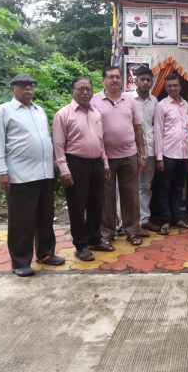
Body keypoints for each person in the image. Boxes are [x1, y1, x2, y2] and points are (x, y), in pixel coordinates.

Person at [0, 74, 65, 276]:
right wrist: (1, 171)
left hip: (44, 172)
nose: (28, 89)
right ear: (12, 88)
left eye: (31, 85)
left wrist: (53, 162)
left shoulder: (39, 110)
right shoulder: (4, 110)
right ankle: (20, 261)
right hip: (20, 174)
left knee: (45, 217)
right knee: (22, 221)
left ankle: (46, 253)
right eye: (23, 85)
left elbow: (44, 138)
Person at [52, 77, 114, 261]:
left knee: (96, 204)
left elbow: (101, 141)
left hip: (96, 163)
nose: (85, 92)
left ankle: (95, 239)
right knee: (77, 207)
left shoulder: (97, 114)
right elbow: (58, 145)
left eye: (88, 89)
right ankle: (80, 246)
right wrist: (64, 170)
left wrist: (105, 163)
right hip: (75, 164)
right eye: (81, 89)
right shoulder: (63, 114)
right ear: (72, 91)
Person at [91, 66, 147, 246]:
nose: (115, 80)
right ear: (103, 80)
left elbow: (137, 128)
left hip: (129, 155)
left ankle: (132, 230)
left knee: (131, 195)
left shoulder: (129, 100)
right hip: (105, 158)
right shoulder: (94, 100)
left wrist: (142, 154)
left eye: (117, 77)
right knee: (106, 196)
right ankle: (107, 232)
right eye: (110, 77)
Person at [154, 73, 188, 234]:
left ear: (180, 87)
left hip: (183, 154)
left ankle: (176, 218)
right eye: (169, 86)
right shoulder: (161, 106)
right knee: (164, 188)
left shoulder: (185, 104)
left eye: (175, 85)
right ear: (165, 88)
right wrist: (159, 158)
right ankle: (165, 220)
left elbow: (186, 129)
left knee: (178, 188)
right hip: (167, 154)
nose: (172, 88)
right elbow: (158, 131)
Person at [132, 66, 161, 233]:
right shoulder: (127, 99)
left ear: (152, 82)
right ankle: (128, 221)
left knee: (146, 186)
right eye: (142, 79)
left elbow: (155, 126)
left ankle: (144, 219)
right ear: (136, 80)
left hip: (150, 149)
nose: (145, 82)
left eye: (148, 80)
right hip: (131, 150)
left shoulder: (154, 101)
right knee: (128, 186)